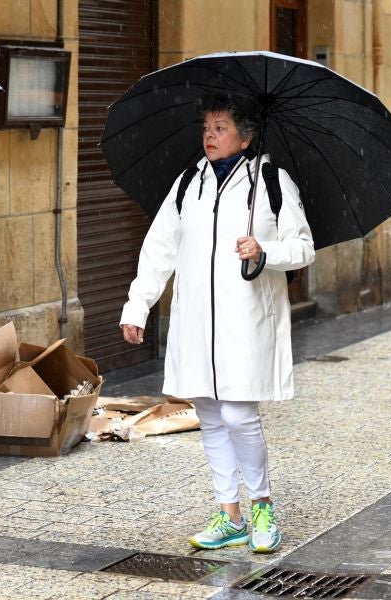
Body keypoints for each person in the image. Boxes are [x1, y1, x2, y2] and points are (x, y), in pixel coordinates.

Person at [119, 93, 314, 553]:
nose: (209, 135)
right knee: (208, 412)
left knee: (238, 413)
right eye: (206, 127)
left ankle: (262, 506)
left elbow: (303, 247)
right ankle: (231, 516)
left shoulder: (271, 180)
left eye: (221, 127)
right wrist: (137, 305)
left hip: (246, 320)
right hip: (195, 319)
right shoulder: (189, 182)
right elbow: (160, 247)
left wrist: (265, 254)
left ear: (245, 136)